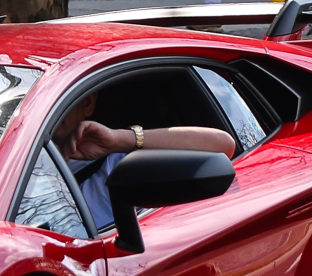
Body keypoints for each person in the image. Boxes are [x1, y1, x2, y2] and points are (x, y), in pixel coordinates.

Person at [51, 93, 237, 235]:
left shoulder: (118, 164)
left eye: (57, 98)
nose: (51, 108)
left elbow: (223, 146)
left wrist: (119, 139)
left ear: (87, 103)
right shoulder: (27, 158)